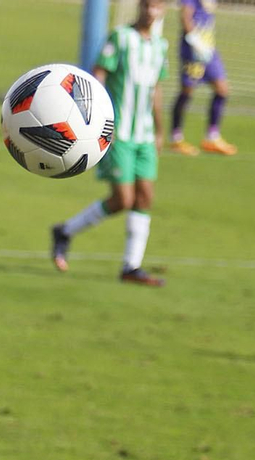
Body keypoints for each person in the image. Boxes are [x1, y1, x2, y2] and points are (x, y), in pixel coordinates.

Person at [50, 0, 169, 287]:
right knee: (123, 199)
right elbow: (99, 75)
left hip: (143, 134)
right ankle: (65, 231)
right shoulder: (121, 38)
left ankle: (131, 266)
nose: (151, 12)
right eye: (147, 6)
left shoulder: (160, 47)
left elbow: (156, 89)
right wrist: (100, 120)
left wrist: (160, 129)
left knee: (144, 197)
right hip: (120, 134)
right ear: (140, 7)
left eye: (157, 7)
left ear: (162, 11)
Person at [167, 0, 235, 156]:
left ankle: (212, 136)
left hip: (209, 51)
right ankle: (176, 138)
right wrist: (196, 42)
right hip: (193, 52)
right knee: (187, 92)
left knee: (222, 89)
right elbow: (185, 17)